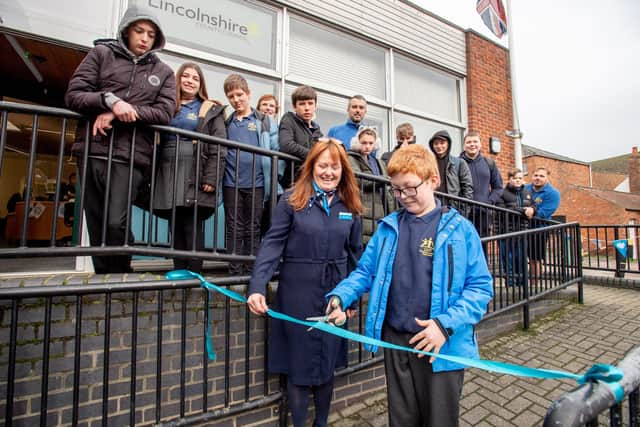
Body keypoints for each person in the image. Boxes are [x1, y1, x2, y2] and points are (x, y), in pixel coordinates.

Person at [325, 144, 493, 427]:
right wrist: (341, 296)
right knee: (401, 420)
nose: (402, 197)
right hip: (396, 340)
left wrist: (444, 325)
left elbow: (480, 289)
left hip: (442, 344)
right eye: (396, 190)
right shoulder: (388, 227)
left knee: (439, 421)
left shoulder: (462, 229)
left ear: (433, 181)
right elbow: (365, 271)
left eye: (410, 188)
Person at [247, 139, 363, 427]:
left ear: (342, 170)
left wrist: (352, 299)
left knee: (327, 363)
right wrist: (257, 286)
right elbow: (272, 244)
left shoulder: (350, 203)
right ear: (311, 167)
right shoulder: (290, 199)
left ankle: (320, 423)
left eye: (334, 167)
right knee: (298, 365)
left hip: (335, 294)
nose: (328, 172)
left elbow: (354, 254)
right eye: (322, 166)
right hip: (297, 290)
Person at [65, 5, 175, 274]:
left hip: (131, 155)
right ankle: (105, 278)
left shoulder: (163, 72)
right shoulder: (101, 54)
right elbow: (74, 95)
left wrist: (123, 112)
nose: (145, 38)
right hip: (93, 149)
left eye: (151, 34)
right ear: (127, 31)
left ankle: (121, 272)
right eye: (139, 31)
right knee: (96, 220)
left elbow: (164, 112)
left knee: (116, 221)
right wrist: (108, 100)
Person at [153, 62, 226, 273]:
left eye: (195, 78)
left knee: (191, 221)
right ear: (178, 79)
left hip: (195, 167)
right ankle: (179, 269)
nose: (190, 81)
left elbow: (219, 146)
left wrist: (211, 178)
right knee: (173, 220)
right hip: (166, 166)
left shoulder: (210, 108)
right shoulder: (166, 104)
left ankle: (194, 272)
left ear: (200, 84)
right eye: (186, 76)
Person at [223, 74, 280, 275]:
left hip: (257, 183)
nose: (236, 99)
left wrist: (274, 178)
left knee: (253, 227)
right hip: (231, 182)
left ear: (248, 94)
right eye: (231, 96)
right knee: (233, 227)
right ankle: (234, 269)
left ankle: (250, 269)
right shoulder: (227, 122)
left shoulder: (264, 121)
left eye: (239, 94)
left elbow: (276, 152)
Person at [347, 126, 395, 244]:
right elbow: (357, 180)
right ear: (357, 142)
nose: (367, 146)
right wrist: (382, 179)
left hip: (381, 209)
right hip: (364, 207)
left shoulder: (378, 162)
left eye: (370, 143)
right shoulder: (350, 157)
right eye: (364, 143)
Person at [495, 168, 535, 286]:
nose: (518, 180)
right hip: (505, 233)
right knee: (508, 260)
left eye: (520, 178)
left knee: (521, 259)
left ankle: (522, 284)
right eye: (515, 178)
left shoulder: (527, 193)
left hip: (522, 232)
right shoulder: (501, 193)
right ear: (509, 179)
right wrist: (524, 211)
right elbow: (502, 210)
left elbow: (533, 206)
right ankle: (511, 284)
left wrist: (532, 209)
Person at [460, 130, 503, 238]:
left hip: (484, 213)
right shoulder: (457, 163)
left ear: (480, 144)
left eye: (475, 141)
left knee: (482, 246)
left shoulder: (489, 163)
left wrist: (489, 202)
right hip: (463, 212)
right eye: (469, 142)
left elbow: (498, 188)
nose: (472, 144)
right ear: (464, 145)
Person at [278, 85, 323, 189]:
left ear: (315, 106)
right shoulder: (288, 119)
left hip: (312, 183)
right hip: (292, 183)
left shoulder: (318, 131)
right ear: (294, 106)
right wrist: (313, 156)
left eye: (310, 103)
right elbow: (286, 145)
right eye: (302, 104)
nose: (307, 108)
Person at [524, 167, 560, 279]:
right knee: (524, 257)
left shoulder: (553, 193)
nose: (538, 178)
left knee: (536, 258)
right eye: (535, 175)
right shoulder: (525, 188)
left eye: (541, 176)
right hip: (523, 227)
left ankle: (535, 285)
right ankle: (524, 283)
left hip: (539, 230)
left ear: (547, 178)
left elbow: (545, 212)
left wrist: (530, 212)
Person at [428, 130, 473, 199]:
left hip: (452, 207)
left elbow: (467, 189)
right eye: (436, 143)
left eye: (442, 143)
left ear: (448, 144)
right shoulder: (428, 163)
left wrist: (463, 209)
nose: (439, 146)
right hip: (433, 205)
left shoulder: (459, 163)